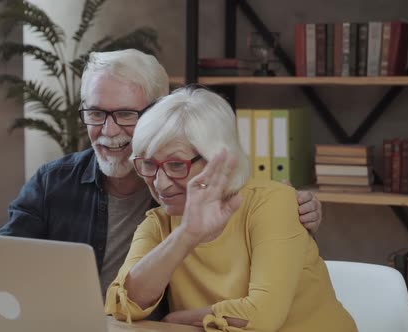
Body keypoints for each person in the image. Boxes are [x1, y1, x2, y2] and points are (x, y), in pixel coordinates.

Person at [0, 49, 323, 296]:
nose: (108, 130)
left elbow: (255, 214)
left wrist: (298, 209)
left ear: (160, 114)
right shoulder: (53, 181)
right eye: (96, 113)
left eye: (125, 114)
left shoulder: (191, 184)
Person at [104, 85, 356, 332]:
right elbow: (122, 306)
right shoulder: (157, 223)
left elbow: (262, 317)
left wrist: (177, 319)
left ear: (217, 158)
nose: (160, 182)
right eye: (148, 164)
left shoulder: (272, 203)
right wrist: (187, 235)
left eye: (176, 165)